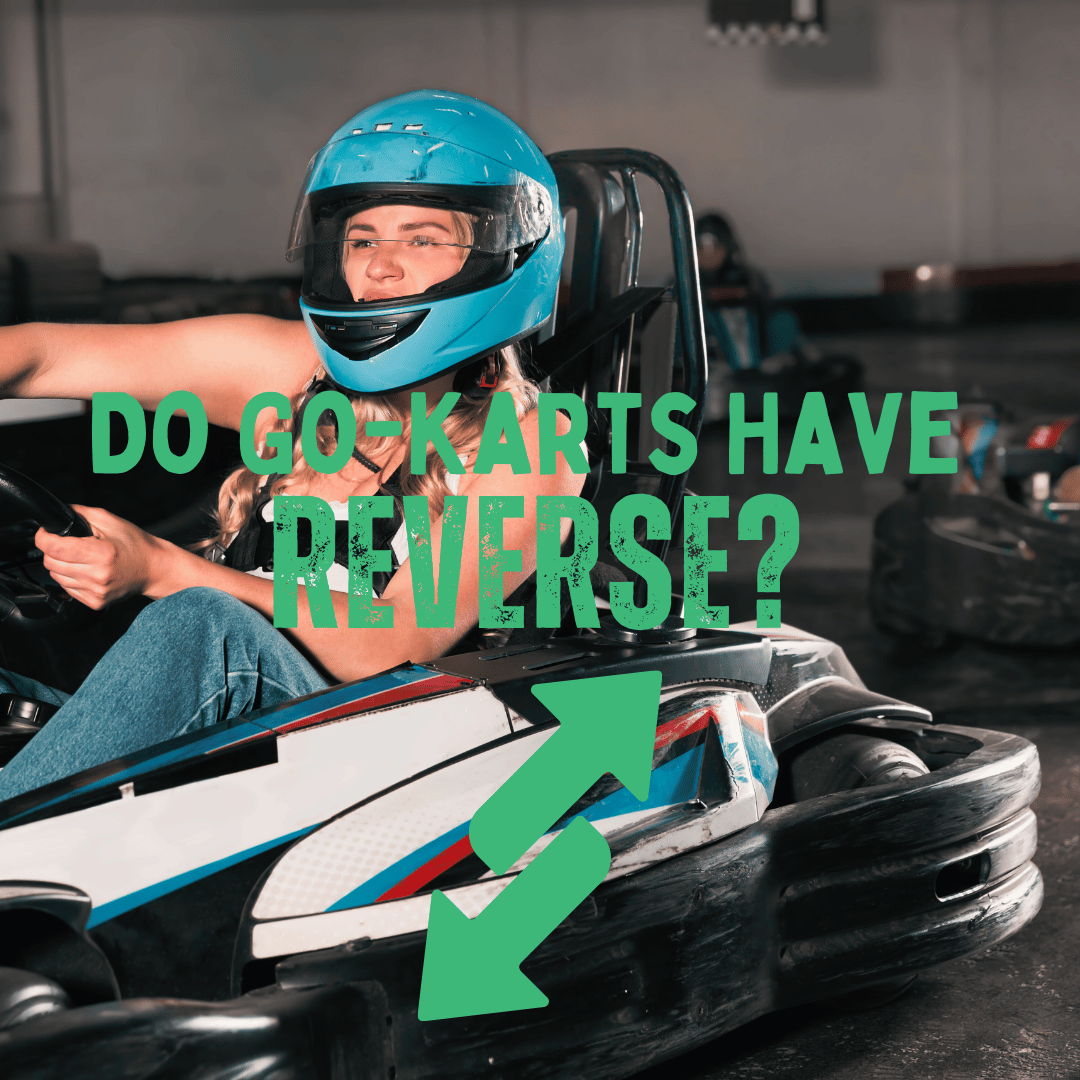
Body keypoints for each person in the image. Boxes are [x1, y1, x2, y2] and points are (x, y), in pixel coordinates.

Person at [0, 89, 578, 801]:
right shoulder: (292, 372)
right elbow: (41, 357)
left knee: (206, 627)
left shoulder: (535, 440)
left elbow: (393, 642)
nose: (381, 267)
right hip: (241, 735)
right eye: (363, 239)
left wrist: (162, 568)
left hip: (375, 756)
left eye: (422, 238)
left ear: (502, 254)